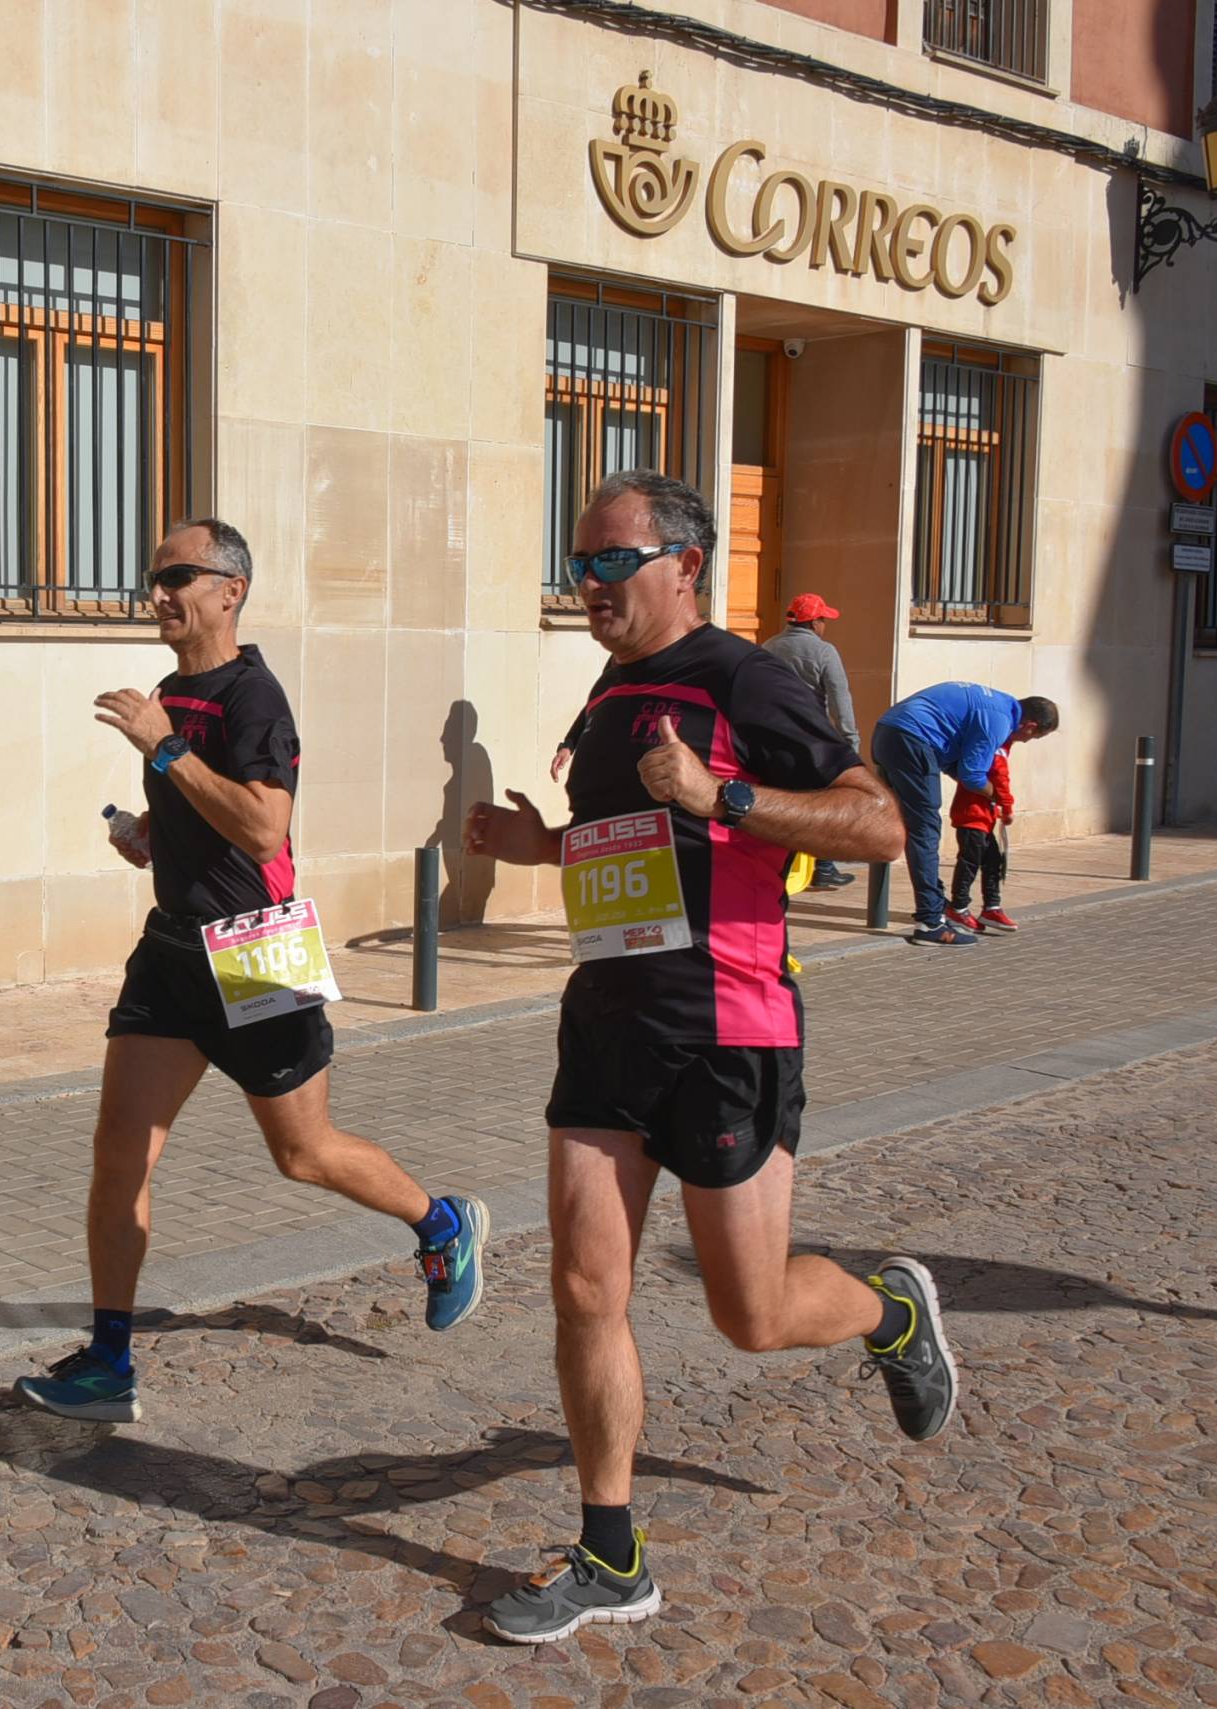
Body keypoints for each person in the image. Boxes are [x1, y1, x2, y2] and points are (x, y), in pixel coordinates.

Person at [462, 471, 952, 1645]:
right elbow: (632, 837)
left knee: (752, 1313)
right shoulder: (613, 687)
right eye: (575, 562)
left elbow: (879, 820)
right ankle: (609, 1550)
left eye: (608, 560)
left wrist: (723, 789)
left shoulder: (747, 678)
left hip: (729, 1029)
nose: (586, 584)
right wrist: (547, 845)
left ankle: (887, 1310)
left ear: (685, 561)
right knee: (584, 1283)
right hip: (606, 1022)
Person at [14, 518, 488, 1426]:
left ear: (229, 590)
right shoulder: (171, 692)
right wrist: (148, 836)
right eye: (152, 577)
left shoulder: (252, 697)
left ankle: (441, 1223)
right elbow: (200, 816)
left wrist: (162, 748)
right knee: (120, 1156)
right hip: (172, 954)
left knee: (303, 1152)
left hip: (257, 948)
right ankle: (110, 1360)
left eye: (176, 577)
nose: (156, 593)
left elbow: (266, 825)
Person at [869, 683, 1058, 947]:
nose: (1025, 741)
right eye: (1033, 738)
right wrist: (999, 797)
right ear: (1030, 726)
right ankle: (930, 923)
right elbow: (972, 775)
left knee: (904, 824)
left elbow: (954, 762)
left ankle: (931, 903)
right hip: (912, 740)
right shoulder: (1000, 722)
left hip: (887, 733)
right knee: (925, 829)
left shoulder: (997, 704)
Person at [759, 593, 860, 890]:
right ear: (814, 622)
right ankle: (824, 866)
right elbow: (841, 699)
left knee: (779, 802)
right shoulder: (825, 652)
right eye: (823, 619)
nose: (825, 625)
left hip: (771, 736)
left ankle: (777, 866)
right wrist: (849, 741)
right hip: (811, 738)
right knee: (822, 802)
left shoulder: (768, 647)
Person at [946, 745, 1017, 933]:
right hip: (973, 817)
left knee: (993, 861)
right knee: (969, 864)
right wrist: (1007, 807)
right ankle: (958, 908)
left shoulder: (989, 745)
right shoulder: (996, 748)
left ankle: (991, 907)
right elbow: (1001, 778)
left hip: (983, 818)